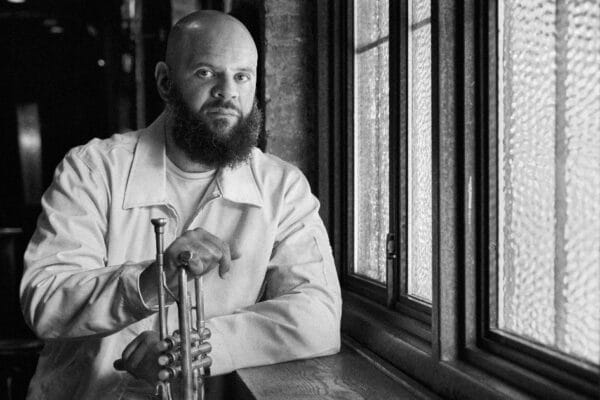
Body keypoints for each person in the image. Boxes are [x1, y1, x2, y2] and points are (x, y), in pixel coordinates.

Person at [20, 10, 341, 400]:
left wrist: (189, 349)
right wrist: (152, 281)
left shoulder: (282, 188)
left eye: (242, 76)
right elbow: (45, 299)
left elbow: (317, 316)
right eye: (206, 73)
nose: (227, 92)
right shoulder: (91, 170)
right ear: (164, 81)